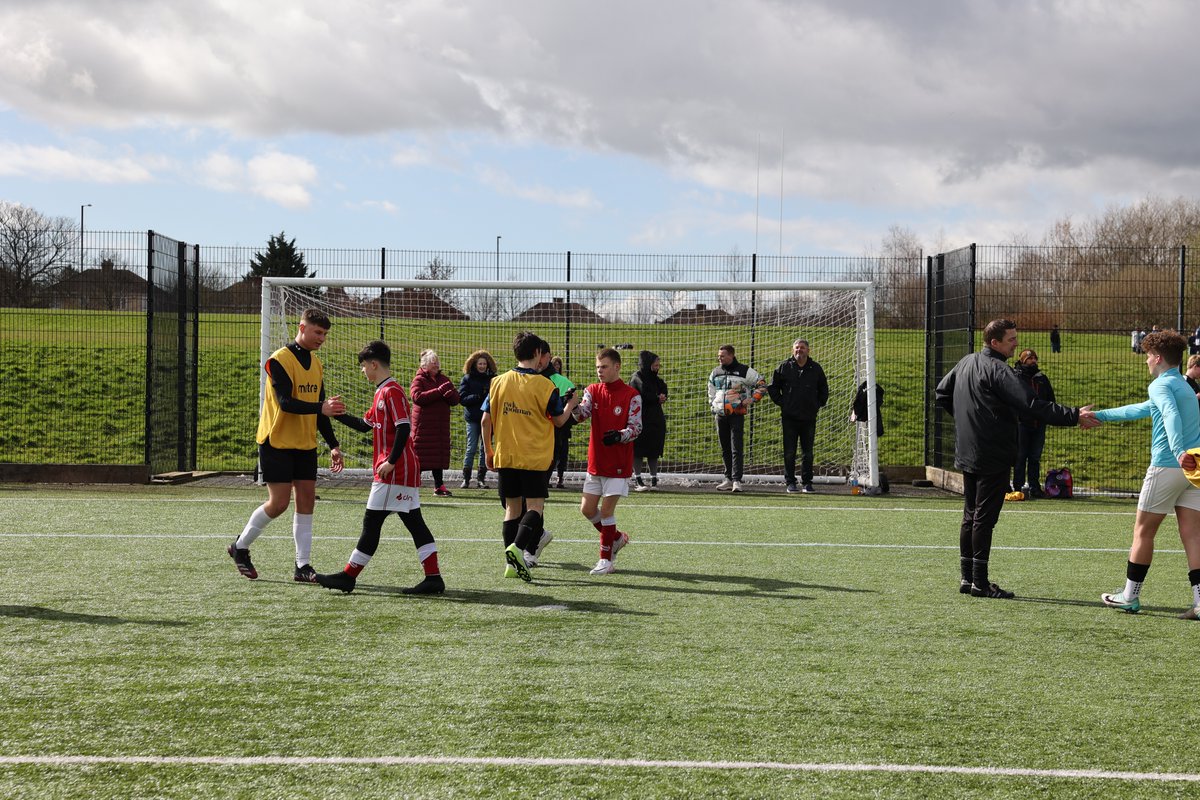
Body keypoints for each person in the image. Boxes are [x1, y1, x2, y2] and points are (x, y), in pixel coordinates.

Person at [935, 319, 1094, 599]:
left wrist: (969, 422)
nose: (1016, 343)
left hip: (969, 450)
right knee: (984, 518)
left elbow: (942, 393)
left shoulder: (967, 362)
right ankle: (980, 583)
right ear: (994, 343)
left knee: (970, 515)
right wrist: (1074, 415)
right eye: (1011, 339)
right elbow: (1031, 403)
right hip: (993, 452)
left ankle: (967, 577)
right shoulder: (999, 370)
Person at [1079, 329, 1200, 619]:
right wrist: (1101, 415)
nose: (1146, 361)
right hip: (1195, 467)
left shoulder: (1160, 386)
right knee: (1193, 535)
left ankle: (1129, 597)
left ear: (1157, 358)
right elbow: (1141, 409)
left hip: (1169, 464)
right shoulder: (1182, 385)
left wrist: (1177, 451)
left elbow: (1169, 415)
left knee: (1143, 532)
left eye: (1147, 356)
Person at [227, 308, 348, 583]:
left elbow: (322, 410)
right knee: (279, 503)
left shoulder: (316, 364)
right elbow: (286, 402)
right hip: (276, 441)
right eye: (318, 332)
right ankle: (240, 546)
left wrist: (333, 444)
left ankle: (302, 566)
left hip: (304, 443)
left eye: (325, 334)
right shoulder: (278, 360)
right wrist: (321, 407)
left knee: (306, 501)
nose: (322, 338)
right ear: (301, 327)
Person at [315, 340, 445, 595]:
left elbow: (404, 427)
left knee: (371, 523)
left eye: (364, 366)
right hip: (400, 470)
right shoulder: (381, 392)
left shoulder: (391, 391)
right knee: (414, 523)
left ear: (374, 364)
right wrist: (336, 415)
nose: (362, 371)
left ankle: (348, 576)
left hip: (393, 471)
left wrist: (390, 461)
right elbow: (365, 425)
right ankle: (433, 577)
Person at [481, 331, 580, 582]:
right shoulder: (545, 386)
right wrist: (571, 404)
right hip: (535, 456)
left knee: (512, 508)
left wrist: (488, 451)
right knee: (535, 506)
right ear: (537, 354)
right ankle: (518, 549)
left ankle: (510, 565)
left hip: (506, 454)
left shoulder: (498, 382)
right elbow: (558, 421)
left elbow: (485, 419)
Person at [573, 348, 642, 575]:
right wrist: (572, 405)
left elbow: (636, 428)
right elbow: (581, 414)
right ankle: (616, 538)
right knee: (587, 509)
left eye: (603, 367)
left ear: (616, 367)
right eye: (597, 367)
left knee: (606, 511)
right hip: (596, 461)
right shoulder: (592, 390)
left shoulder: (632, 395)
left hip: (618, 464)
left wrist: (619, 436)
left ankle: (606, 560)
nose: (599, 371)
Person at [768, 338, 829, 494]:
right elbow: (773, 387)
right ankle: (790, 482)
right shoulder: (784, 367)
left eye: (802, 348)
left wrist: (817, 404)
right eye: (796, 348)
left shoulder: (815, 368)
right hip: (789, 417)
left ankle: (807, 483)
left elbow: (824, 389)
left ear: (808, 350)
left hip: (809, 418)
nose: (799, 350)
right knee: (789, 452)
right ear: (792, 350)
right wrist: (783, 403)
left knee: (807, 453)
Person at [707, 344, 767, 493]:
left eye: (722, 356)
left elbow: (762, 384)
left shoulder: (745, 370)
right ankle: (727, 478)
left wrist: (752, 399)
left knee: (736, 448)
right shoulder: (715, 372)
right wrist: (713, 406)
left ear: (731, 355)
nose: (719, 358)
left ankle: (737, 480)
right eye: (718, 355)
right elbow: (711, 391)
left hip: (737, 414)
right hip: (720, 415)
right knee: (724, 447)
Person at [410, 349, 461, 497]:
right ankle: (412, 485)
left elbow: (456, 400)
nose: (436, 366)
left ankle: (439, 486)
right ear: (424, 365)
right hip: (423, 427)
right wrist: (439, 392)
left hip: (440, 427)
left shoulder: (444, 379)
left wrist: (450, 394)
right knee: (419, 456)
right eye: (433, 364)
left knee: (437, 457)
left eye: (437, 364)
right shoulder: (418, 380)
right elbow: (417, 397)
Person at [1012, 348, 1055, 499]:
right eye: (1030, 359)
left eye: (1035, 358)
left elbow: (1050, 400)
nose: (1033, 361)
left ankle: (1034, 487)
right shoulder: (1015, 377)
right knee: (1020, 456)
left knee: (1035, 457)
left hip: (1039, 423)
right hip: (1021, 423)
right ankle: (1017, 487)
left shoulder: (1042, 378)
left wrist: (1047, 416)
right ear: (1023, 360)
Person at [458, 349, 497, 489]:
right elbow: (461, 398)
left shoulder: (493, 379)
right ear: (474, 364)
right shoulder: (467, 379)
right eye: (479, 364)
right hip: (473, 419)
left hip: (487, 419)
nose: (482, 366)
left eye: (484, 364)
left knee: (485, 448)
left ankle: (481, 479)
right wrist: (477, 397)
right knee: (471, 447)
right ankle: (466, 479)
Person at [629, 350, 668, 491]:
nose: (657, 368)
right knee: (638, 450)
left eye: (659, 365)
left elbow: (663, 388)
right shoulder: (637, 377)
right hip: (639, 418)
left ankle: (653, 479)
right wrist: (656, 398)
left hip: (655, 419)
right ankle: (637, 479)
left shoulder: (656, 380)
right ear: (647, 364)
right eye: (655, 365)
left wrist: (662, 396)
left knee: (653, 450)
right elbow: (643, 393)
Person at [544, 354, 576, 489]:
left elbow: (575, 407)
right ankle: (546, 478)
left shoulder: (564, 382)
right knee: (554, 451)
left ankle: (559, 477)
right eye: (555, 364)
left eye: (559, 365)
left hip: (559, 424)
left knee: (561, 451)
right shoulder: (550, 381)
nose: (557, 367)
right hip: (554, 423)